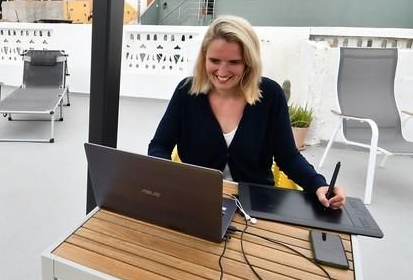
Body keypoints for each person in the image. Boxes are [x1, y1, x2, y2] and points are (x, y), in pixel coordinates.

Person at [148, 16, 346, 209]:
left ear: (249, 63)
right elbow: (159, 146)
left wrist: (319, 185)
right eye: (214, 60)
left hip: (257, 204)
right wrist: (169, 180)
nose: (222, 71)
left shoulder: (270, 95)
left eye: (233, 62)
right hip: (195, 200)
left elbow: (288, 157)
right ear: (204, 58)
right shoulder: (186, 92)